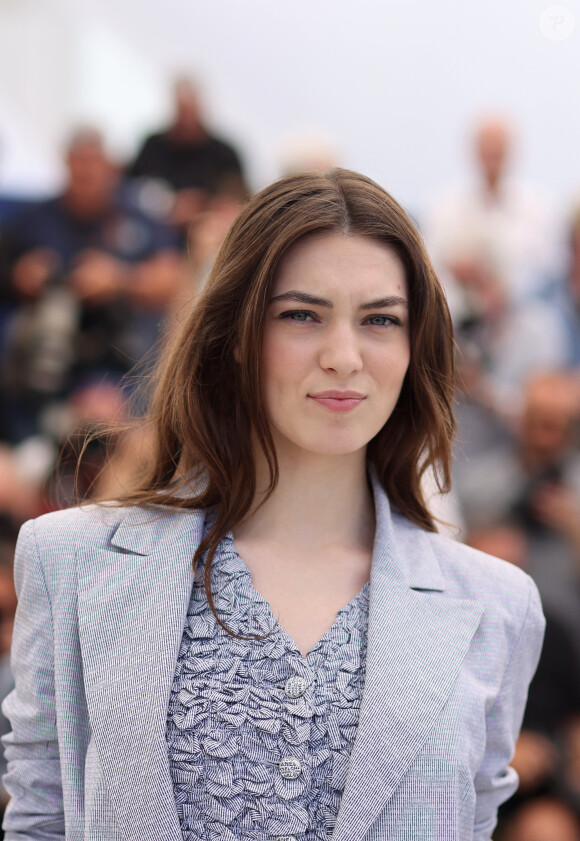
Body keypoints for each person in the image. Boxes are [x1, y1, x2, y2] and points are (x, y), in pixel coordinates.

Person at [2, 169, 545, 841]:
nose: (343, 356)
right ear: (235, 334)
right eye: (301, 314)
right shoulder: (71, 562)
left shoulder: (497, 609)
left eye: (380, 319)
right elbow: (39, 820)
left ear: (415, 347)